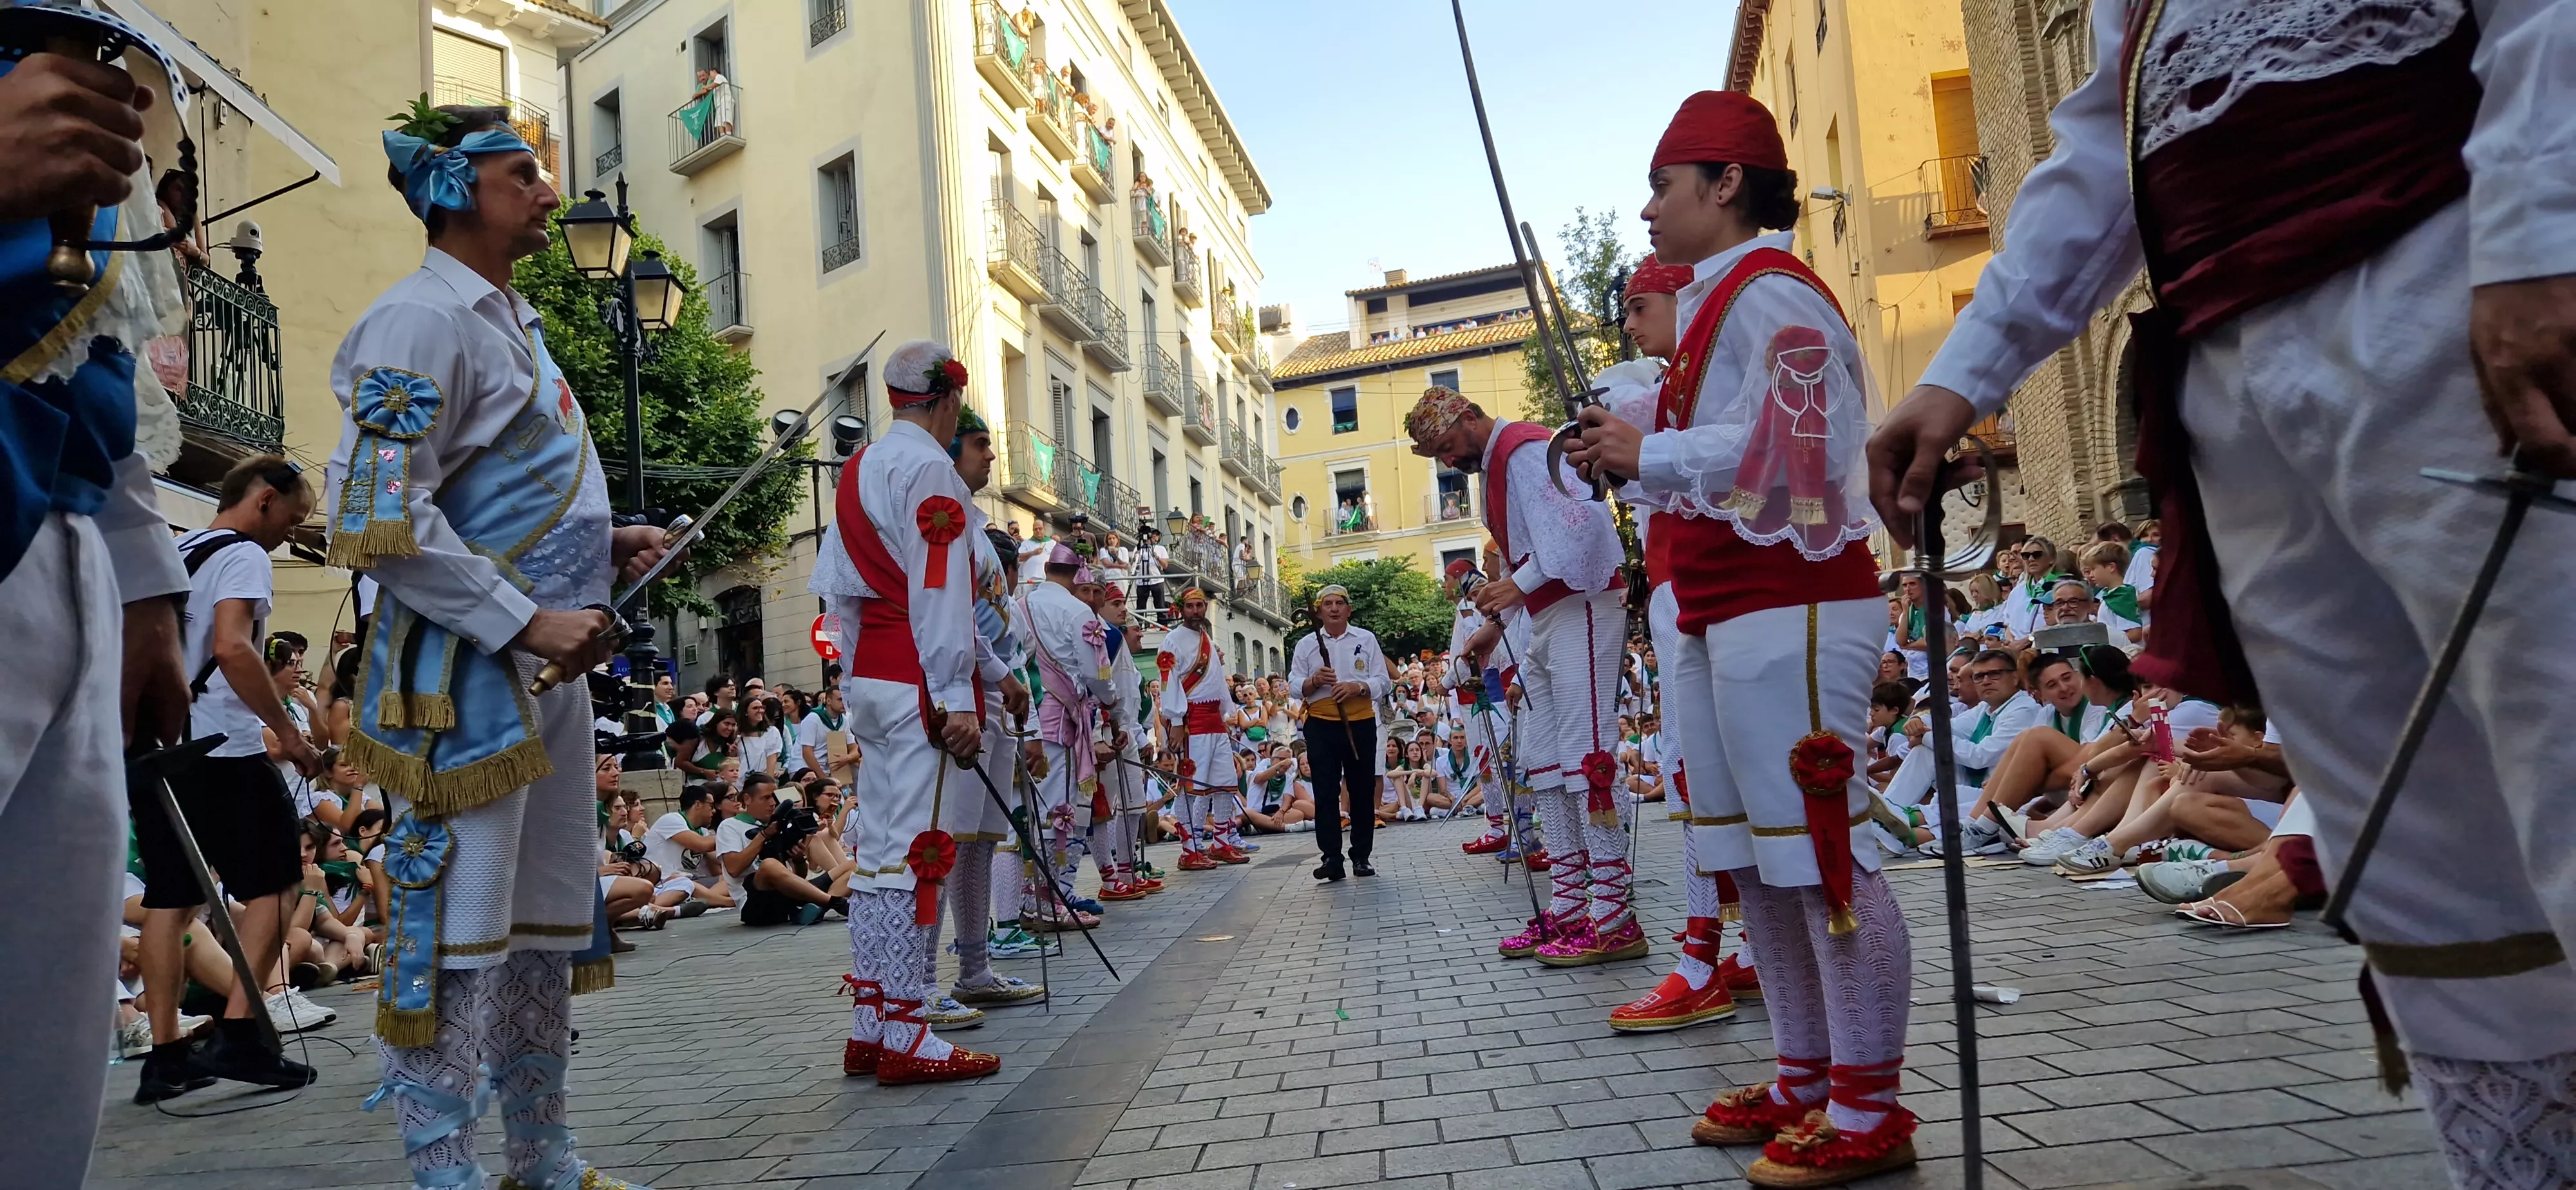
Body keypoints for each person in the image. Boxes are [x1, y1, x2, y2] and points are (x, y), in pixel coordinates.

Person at [1564, 91, 1917, 1183]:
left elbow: (1809, 449)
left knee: (1821, 855)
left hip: (1794, 602)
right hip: (1728, 605)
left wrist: (1650, 456)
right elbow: (1734, 442)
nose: (1648, 212)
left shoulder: (1771, 292)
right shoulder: (1718, 304)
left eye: (1663, 187)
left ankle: (1869, 1103)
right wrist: (1631, 448)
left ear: (1725, 184)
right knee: (1756, 863)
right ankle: (1808, 1079)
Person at [325, 102, 672, 1190]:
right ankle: (446, 1170)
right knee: (461, 931)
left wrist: (602, 542)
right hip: (465, 677)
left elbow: (491, 487)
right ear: (453, 189)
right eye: (523, 172)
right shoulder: (416, 320)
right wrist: (524, 615)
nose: (548, 191)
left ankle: (541, 1154)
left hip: (544, 670)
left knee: (540, 931)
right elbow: (375, 514)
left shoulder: (508, 319)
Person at [808, 338, 999, 1085]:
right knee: (919, 852)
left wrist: (856, 686)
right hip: (918, 678)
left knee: (883, 855)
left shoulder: (858, 468)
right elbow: (939, 590)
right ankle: (910, 1029)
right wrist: (953, 695)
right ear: (948, 401)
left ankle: (874, 1022)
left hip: (872, 680)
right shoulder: (930, 469)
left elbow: (840, 594)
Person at [1409, 384, 1636, 968]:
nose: (1447, 460)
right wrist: (1500, 618)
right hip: (1549, 617)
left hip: (1583, 606)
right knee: (1542, 758)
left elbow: (1581, 531)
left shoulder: (1527, 450)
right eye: (1437, 453)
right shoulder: (1501, 462)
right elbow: (1531, 557)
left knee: (1588, 756)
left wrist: (1517, 588)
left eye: (1445, 445)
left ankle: (1613, 914)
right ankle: (1569, 904)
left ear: (1468, 415)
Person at [133, 458, 327, 1104]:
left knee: (170, 900)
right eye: (292, 520)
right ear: (264, 500)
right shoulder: (243, 552)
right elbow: (233, 646)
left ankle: (164, 1056)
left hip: (161, 748)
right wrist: (292, 735)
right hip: (223, 746)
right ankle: (241, 1029)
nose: (287, 535)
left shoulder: (175, 546)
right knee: (277, 882)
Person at [939, 404, 1045, 1009]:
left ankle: (975, 968)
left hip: (993, 695)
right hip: (968, 693)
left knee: (981, 838)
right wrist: (1001, 675)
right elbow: (949, 616)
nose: (991, 455)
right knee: (955, 838)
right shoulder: (948, 522)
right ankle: (926, 982)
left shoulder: (977, 527)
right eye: (980, 443)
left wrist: (1007, 679)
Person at [1016, 542, 1119, 928]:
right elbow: (1097, 672)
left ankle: (1040, 894)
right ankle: (1051, 897)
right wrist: (1108, 697)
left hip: (1028, 719)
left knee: (1040, 808)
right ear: (1077, 575)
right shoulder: (1076, 611)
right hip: (1063, 721)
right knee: (1063, 809)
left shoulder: (1022, 604)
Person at [1289, 585, 1392, 879]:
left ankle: (1361, 856)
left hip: (1359, 722)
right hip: (1321, 724)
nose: (1334, 608)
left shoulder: (1366, 639)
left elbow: (1382, 681)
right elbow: (1294, 682)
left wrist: (1357, 687)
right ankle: (1331, 857)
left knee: (1361, 791)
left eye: (1340, 603)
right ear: (1320, 611)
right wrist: (1313, 681)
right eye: (1328, 604)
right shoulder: (1307, 644)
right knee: (1325, 792)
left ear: (1349, 609)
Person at [1158, 588, 1249, 871]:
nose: (1196, 611)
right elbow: (1169, 683)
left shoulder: (1206, 637)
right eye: (1191, 606)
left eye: (1200, 606)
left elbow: (1216, 680)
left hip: (1214, 722)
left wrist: (1227, 712)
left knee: (1225, 782)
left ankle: (1222, 842)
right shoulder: (1171, 641)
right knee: (1192, 788)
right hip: (1191, 723)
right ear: (1181, 609)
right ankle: (1190, 848)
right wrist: (1174, 722)